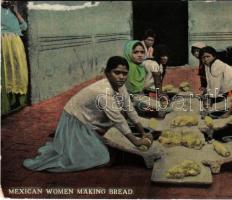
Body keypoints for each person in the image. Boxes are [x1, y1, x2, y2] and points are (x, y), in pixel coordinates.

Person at [23, 56, 153, 172]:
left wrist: (143, 133)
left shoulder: (120, 86)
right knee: (101, 158)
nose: (121, 77)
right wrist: (136, 141)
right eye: (116, 72)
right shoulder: (104, 92)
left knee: (110, 144)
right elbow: (118, 119)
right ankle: (70, 141)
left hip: (87, 119)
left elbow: (129, 109)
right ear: (107, 73)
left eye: (124, 74)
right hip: (75, 120)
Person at [124, 40, 167, 112]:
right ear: (128, 53)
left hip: (139, 97)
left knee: (162, 107)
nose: (140, 55)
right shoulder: (125, 68)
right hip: (126, 101)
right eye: (135, 52)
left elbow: (141, 92)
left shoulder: (141, 67)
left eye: (142, 52)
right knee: (160, 108)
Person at [1, 0, 28, 115]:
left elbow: (24, 26)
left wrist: (16, 12)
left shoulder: (12, 11)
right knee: (7, 70)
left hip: (16, 42)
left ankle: (17, 99)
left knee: (18, 69)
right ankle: (9, 100)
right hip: (4, 42)